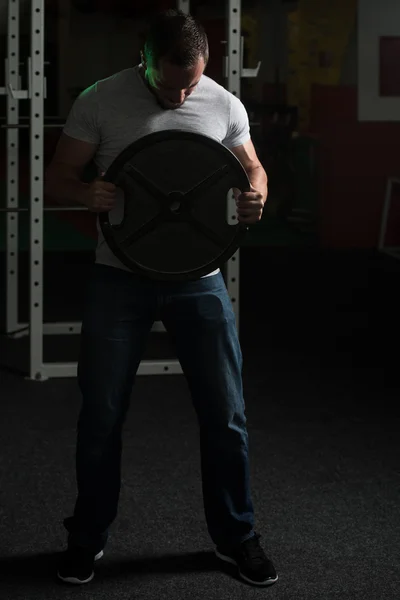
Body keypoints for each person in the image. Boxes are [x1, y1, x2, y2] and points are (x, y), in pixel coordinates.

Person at [45, 9, 277, 588]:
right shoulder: (100, 100)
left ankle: (236, 537)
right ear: (143, 59)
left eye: (192, 83)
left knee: (226, 414)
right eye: (170, 82)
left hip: (199, 279)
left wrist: (255, 194)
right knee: (101, 414)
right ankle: (86, 539)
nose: (181, 95)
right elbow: (58, 177)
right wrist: (85, 191)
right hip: (117, 277)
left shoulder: (223, 102)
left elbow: (253, 168)